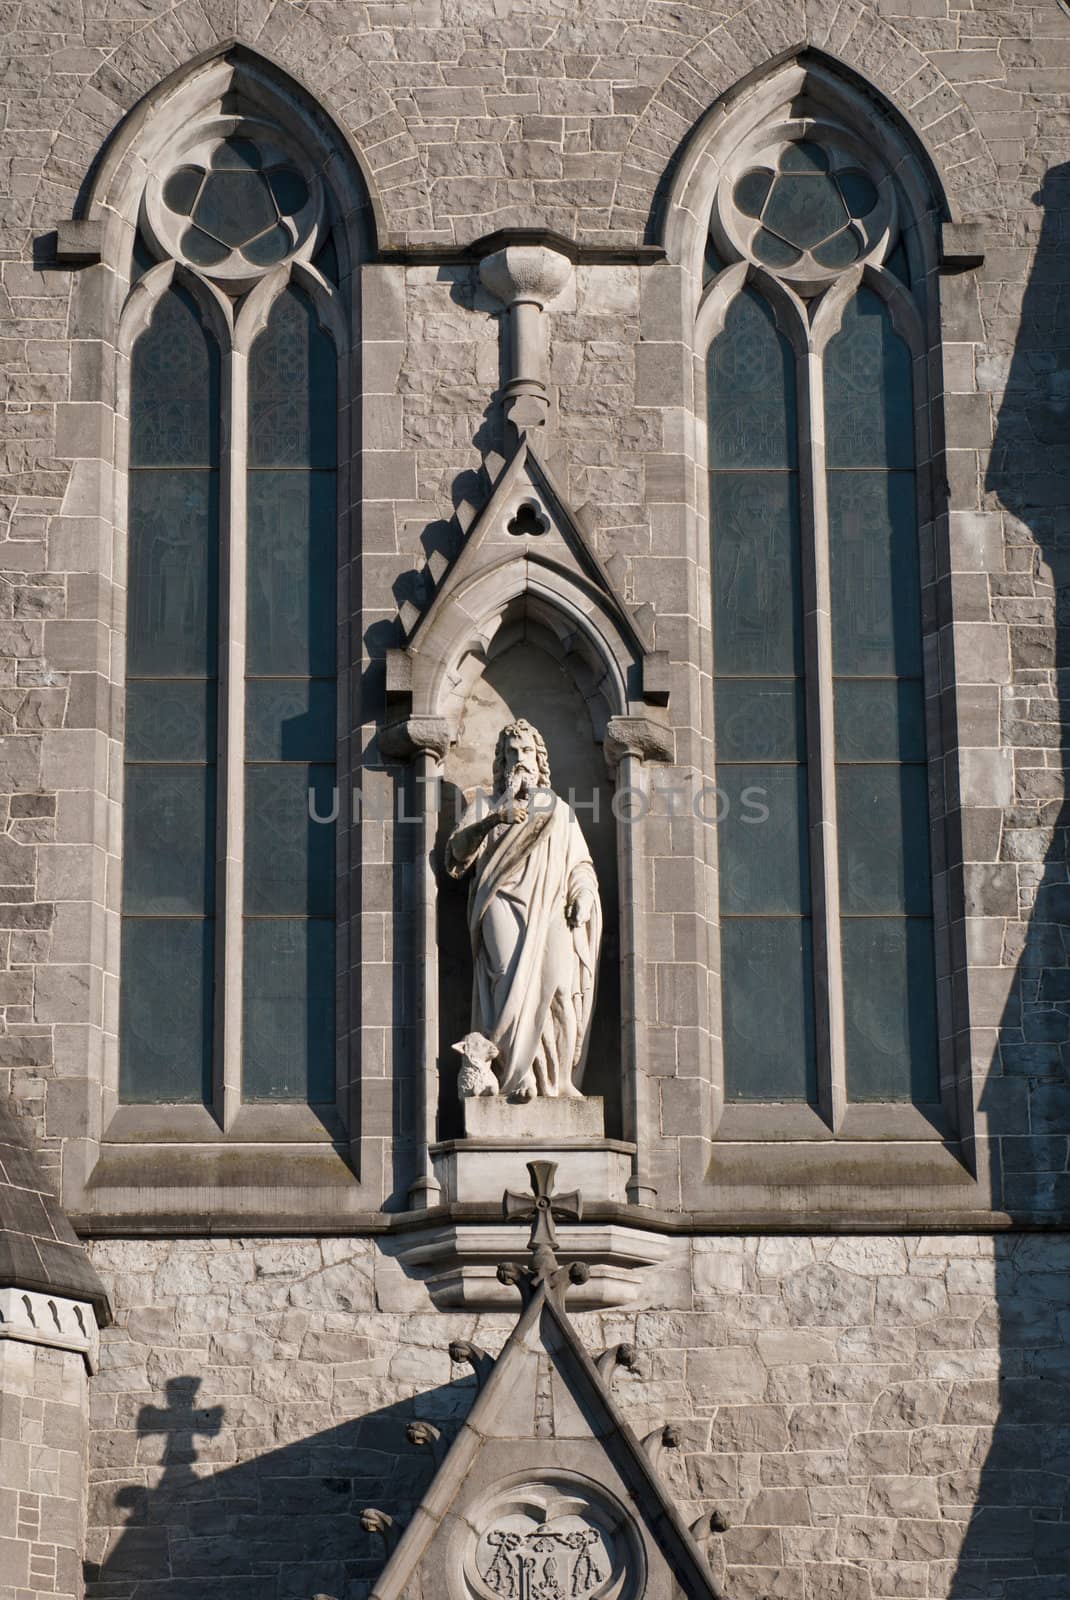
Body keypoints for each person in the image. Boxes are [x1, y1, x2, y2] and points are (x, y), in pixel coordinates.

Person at [445, 719, 601, 1100]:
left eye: (527, 751)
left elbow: (580, 864)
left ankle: (559, 1082)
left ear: (539, 758)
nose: (520, 759)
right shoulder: (485, 805)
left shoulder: (559, 810)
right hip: (499, 902)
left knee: (560, 989)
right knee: (506, 979)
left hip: (550, 906)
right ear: (501, 760)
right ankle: (518, 1078)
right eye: (511, 752)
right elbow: (457, 854)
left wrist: (581, 894)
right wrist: (496, 817)